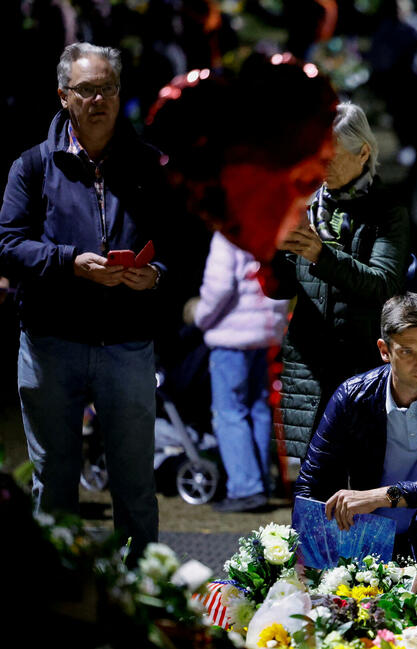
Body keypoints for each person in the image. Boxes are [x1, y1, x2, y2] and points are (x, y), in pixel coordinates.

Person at [0, 43, 170, 561]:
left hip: (127, 344)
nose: (99, 99)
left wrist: (156, 275)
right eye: (87, 90)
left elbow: (181, 243)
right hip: (53, 343)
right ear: (63, 96)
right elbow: (9, 245)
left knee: (136, 485)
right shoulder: (32, 166)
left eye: (109, 89)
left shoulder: (148, 164)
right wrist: (69, 261)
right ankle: (60, 606)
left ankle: (144, 596)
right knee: (54, 484)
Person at [295, 292, 417, 558]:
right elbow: (311, 484)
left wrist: (385, 495)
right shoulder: (353, 395)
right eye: (407, 352)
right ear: (384, 351)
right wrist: (303, 555)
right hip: (371, 534)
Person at [266, 101, 410, 459]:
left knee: (361, 488)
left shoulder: (387, 211)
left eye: (332, 155)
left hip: (363, 365)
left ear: (363, 153)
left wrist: (321, 255)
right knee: (307, 491)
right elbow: (278, 289)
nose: (321, 165)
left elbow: (384, 285)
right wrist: (269, 251)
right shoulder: (305, 203)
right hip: (306, 367)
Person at [194, 231, 289, 512]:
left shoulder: (228, 235)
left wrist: (201, 318)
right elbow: (283, 280)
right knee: (258, 409)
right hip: (264, 334)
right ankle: (260, 482)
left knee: (229, 412)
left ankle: (245, 488)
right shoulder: (272, 230)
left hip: (231, 336)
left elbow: (219, 287)